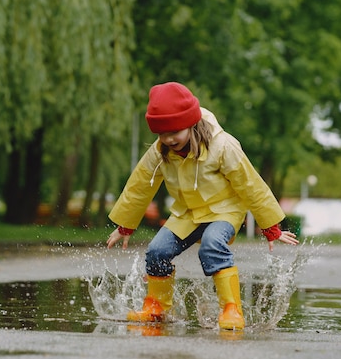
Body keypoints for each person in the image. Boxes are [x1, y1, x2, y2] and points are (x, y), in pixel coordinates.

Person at [106, 82, 299, 330]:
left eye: (174, 131)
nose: (168, 139)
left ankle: (231, 309)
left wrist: (270, 226)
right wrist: (125, 226)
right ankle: (156, 307)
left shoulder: (223, 146)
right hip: (187, 214)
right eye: (161, 133)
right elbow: (140, 185)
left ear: (191, 123)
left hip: (224, 211)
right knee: (156, 251)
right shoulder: (161, 150)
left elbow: (250, 184)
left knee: (212, 245)